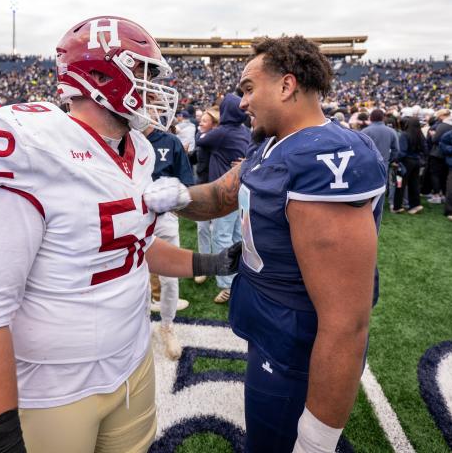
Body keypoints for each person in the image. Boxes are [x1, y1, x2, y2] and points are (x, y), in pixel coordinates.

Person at [0, 16, 240, 453]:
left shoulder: (134, 150)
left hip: (133, 362)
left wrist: (209, 263)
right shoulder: (31, 149)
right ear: (101, 76)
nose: (152, 88)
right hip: (56, 389)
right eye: (142, 74)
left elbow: (127, 244)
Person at [145, 35, 387, 453]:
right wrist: (179, 196)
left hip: (297, 343)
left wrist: (317, 437)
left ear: (287, 86)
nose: (242, 103)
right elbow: (222, 195)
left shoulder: (326, 157)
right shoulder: (274, 142)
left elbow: (347, 321)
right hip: (269, 322)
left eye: (248, 88)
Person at [143, 123, 195, 360]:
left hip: (163, 218)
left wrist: (174, 198)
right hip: (131, 219)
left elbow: (187, 183)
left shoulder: (170, 141)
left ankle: (166, 326)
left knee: (170, 277)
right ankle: (140, 326)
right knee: (135, 277)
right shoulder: (120, 138)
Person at [195, 92, 250, 303]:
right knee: (237, 237)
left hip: (224, 193)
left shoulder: (223, 132)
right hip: (240, 192)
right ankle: (240, 276)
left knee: (221, 237)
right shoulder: (244, 130)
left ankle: (227, 285)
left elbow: (201, 141)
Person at [193, 106, 219, 284]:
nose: (199, 123)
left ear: (214, 125)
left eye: (204, 120)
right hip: (202, 189)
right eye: (200, 120)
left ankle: (219, 265)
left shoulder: (220, 141)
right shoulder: (201, 139)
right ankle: (204, 266)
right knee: (202, 229)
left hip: (217, 191)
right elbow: (196, 157)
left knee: (218, 231)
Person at [392, 116, 425, 214]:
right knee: (414, 184)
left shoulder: (405, 135)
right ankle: (415, 205)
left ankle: (397, 207)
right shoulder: (420, 134)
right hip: (416, 161)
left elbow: (402, 152)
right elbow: (424, 148)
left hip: (405, 162)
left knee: (400, 184)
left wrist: (395, 160)